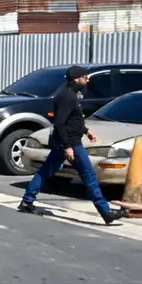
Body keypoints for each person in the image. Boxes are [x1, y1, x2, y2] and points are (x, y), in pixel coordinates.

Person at [19, 66, 128, 224]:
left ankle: (27, 201)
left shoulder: (70, 94)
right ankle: (106, 212)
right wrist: (68, 146)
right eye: (85, 77)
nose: (87, 80)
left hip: (65, 141)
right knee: (89, 176)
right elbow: (60, 124)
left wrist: (86, 131)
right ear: (77, 78)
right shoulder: (66, 97)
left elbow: (72, 120)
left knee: (46, 171)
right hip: (70, 143)